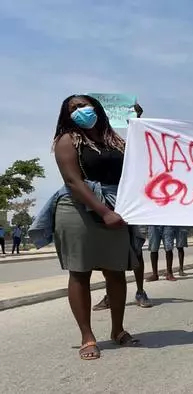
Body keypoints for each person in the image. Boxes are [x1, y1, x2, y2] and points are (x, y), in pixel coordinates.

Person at [42, 94, 141, 360]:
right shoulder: (67, 140)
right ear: (66, 114)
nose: (80, 111)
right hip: (78, 209)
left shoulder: (115, 142)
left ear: (96, 108)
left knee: (116, 272)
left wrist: (138, 123)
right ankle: (87, 336)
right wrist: (103, 212)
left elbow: (140, 161)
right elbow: (73, 181)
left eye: (84, 105)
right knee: (80, 272)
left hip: (115, 207)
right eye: (73, 108)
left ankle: (118, 330)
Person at [91, 103, 152, 311]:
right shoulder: (87, 146)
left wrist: (136, 120)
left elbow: (139, 145)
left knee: (135, 248)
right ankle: (110, 294)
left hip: (126, 201)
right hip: (100, 201)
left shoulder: (121, 146)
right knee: (108, 252)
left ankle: (140, 291)